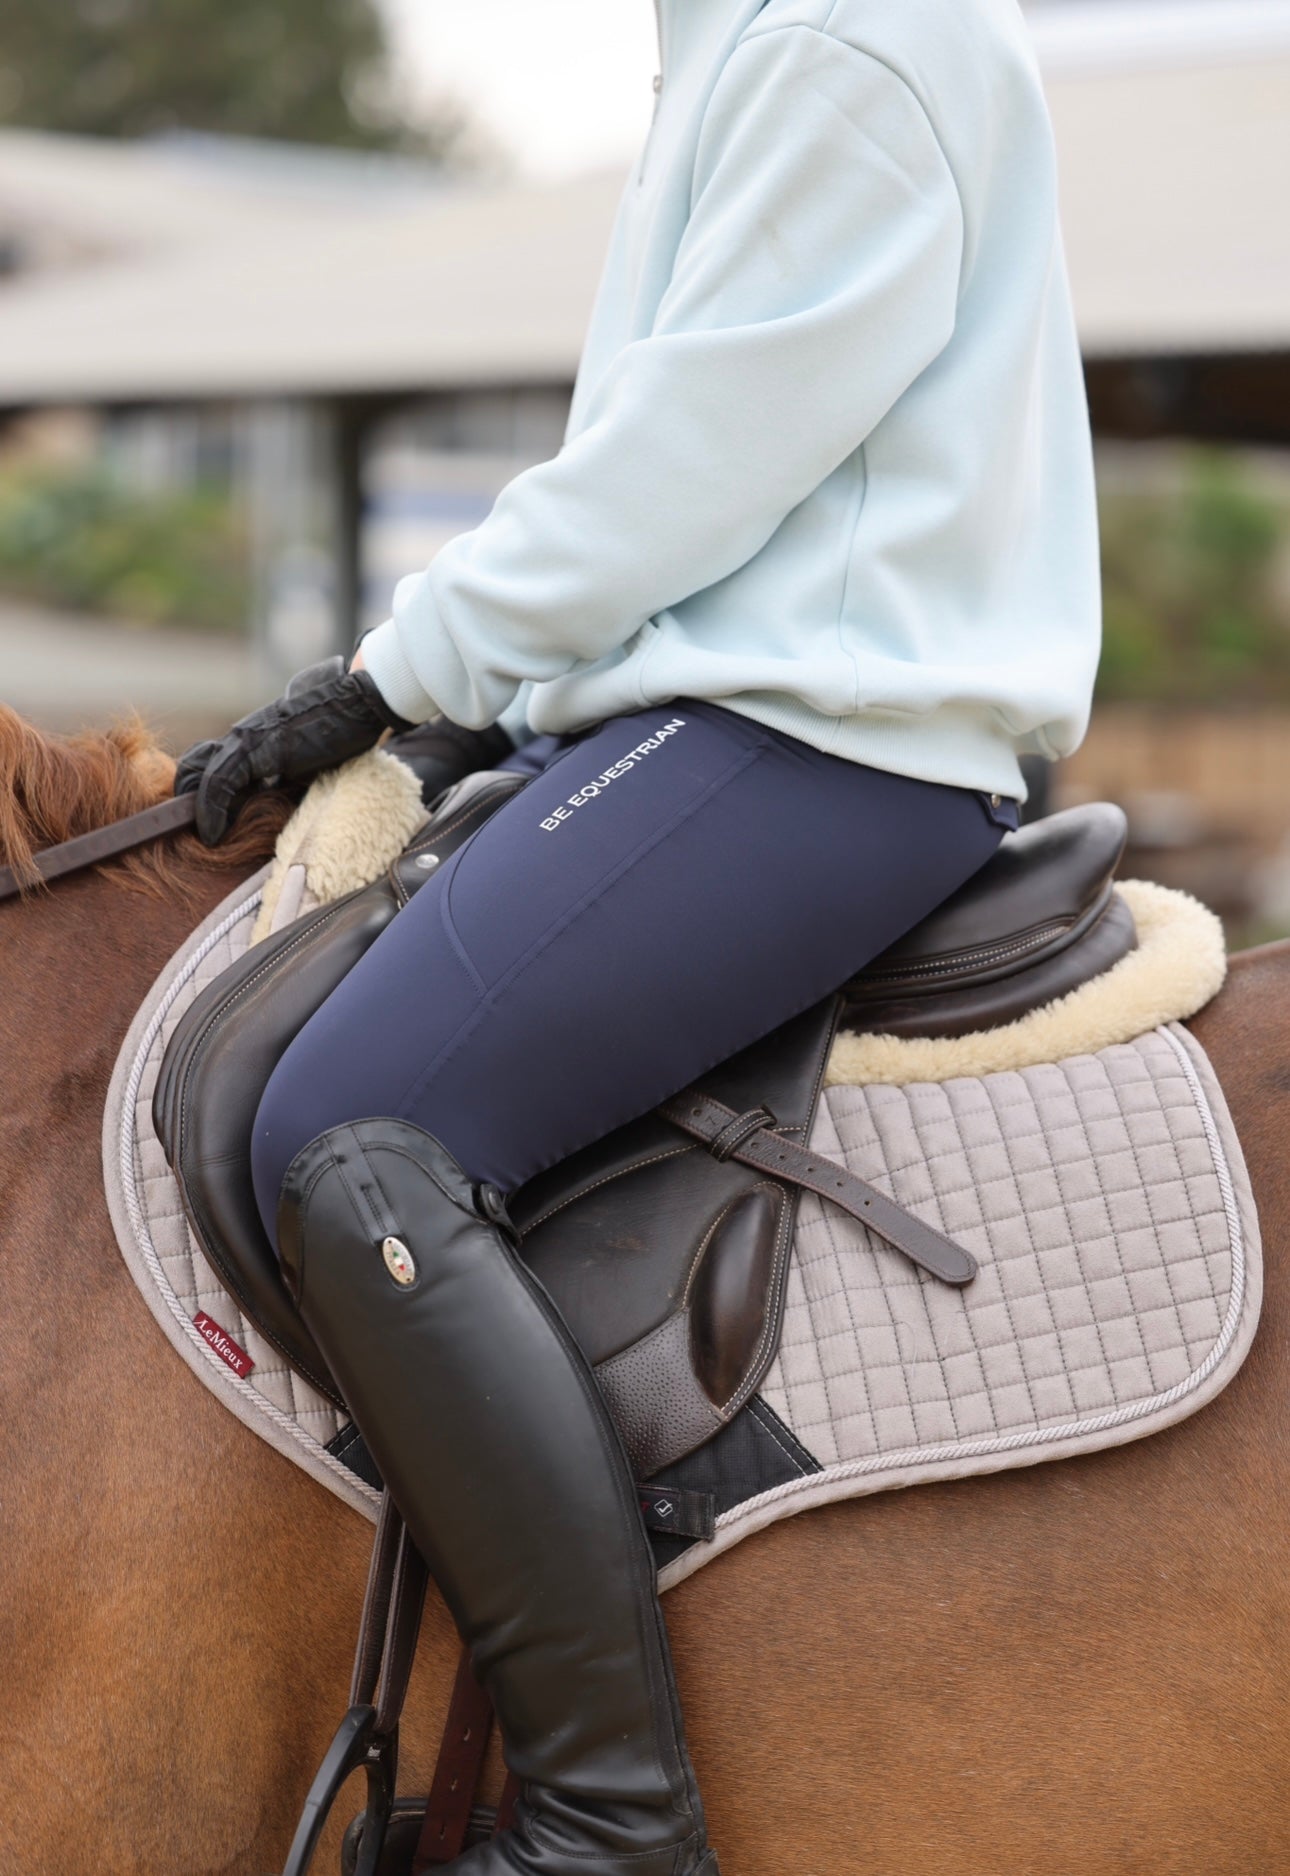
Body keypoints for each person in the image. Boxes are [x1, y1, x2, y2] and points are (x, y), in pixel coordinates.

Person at [178, 3, 1100, 1869]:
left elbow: (694, 455)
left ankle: (608, 1822)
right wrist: (478, 720)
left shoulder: (846, 31)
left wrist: (386, 677)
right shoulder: (745, 35)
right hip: (737, 714)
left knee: (352, 1130)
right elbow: (723, 496)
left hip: (822, 742)